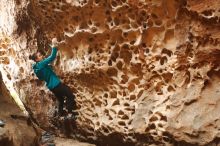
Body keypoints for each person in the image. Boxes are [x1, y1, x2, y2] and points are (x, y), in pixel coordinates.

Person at [29, 38, 77, 119]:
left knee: (61, 100)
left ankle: (60, 115)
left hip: (51, 87)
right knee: (69, 95)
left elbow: (41, 77)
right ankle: (69, 114)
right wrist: (54, 45)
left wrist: (48, 70)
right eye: (40, 56)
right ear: (37, 60)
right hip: (56, 84)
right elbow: (52, 57)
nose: (42, 56)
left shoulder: (36, 68)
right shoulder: (41, 64)